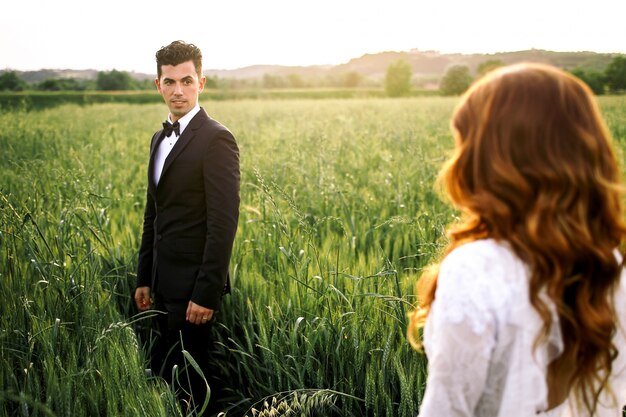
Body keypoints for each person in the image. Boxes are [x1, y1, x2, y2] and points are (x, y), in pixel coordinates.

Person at [407, 63, 626, 416]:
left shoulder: (477, 268)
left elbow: (448, 409)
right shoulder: (608, 262)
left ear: (490, 158)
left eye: (464, 142)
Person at [134, 40, 240, 415]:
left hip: (195, 289)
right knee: (168, 378)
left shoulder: (216, 139)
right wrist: (144, 276)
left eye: (187, 80)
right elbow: (154, 214)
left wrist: (207, 293)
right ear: (158, 85)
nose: (178, 90)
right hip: (162, 282)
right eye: (170, 81)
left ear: (201, 83)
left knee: (196, 387)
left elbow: (224, 223)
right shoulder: (158, 139)